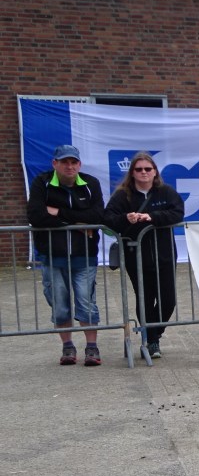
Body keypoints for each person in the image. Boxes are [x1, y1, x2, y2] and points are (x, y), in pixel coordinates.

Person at [26, 144, 106, 366]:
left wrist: (58, 212)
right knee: (59, 304)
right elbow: (36, 216)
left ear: (79, 164)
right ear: (55, 164)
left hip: (84, 256)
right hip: (52, 257)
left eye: (73, 162)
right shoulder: (42, 183)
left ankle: (92, 347)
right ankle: (67, 346)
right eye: (64, 162)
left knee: (86, 303)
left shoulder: (90, 183)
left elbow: (98, 215)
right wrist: (79, 223)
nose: (69, 166)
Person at [104, 151, 185, 359]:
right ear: (132, 172)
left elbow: (177, 213)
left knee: (168, 300)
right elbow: (108, 218)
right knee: (145, 299)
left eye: (148, 169)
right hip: (136, 256)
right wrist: (126, 218)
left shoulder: (166, 192)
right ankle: (152, 341)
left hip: (164, 255)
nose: (143, 172)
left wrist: (152, 217)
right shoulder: (123, 195)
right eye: (138, 169)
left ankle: (152, 333)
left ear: (155, 171)